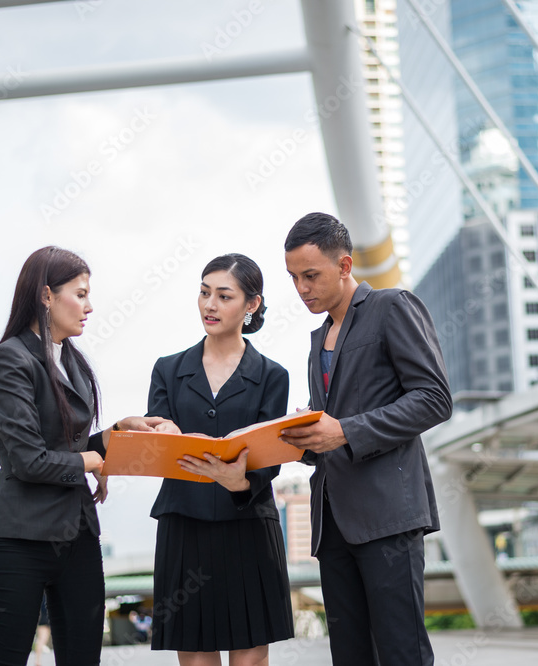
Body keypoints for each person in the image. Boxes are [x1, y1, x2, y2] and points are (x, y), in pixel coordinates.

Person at [0, 246, 168, 665]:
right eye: (80, 294)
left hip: (77, 536)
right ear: (46, 296)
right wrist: (91, 462)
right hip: (19, 539)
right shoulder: (10, 359)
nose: (89, 306)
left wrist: (118, 432)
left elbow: (72, 446)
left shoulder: (74, 363)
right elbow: (28, 460)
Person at [280, 213, 453, 666]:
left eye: (311, 275)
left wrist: (345, 430)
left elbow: (434, 398)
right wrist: (302, 438)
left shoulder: (393, 306)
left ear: (344, 265)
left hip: (387, 520)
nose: (302, 288)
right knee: (350, 656)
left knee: (402, 652)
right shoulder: (318, 340)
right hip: (332, 523)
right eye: (294, 278)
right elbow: (332, 431)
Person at [147, 253, 294, 665]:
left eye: (224, 296)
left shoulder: (272, 375)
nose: (209, 305)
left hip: (247, 524)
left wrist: (240, 482)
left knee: (250, 655)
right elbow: (156, 442)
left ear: (251, 305)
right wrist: (164, 434)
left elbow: (270, 457)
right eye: (204, 292)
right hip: (184, 525)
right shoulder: (168, 369)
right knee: (194, 655)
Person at [32, 594, 51, 666]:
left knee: (41, 640)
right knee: (42, 640)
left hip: (44, 617)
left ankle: (37, 660)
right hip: (46, 617)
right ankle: (37, 661)